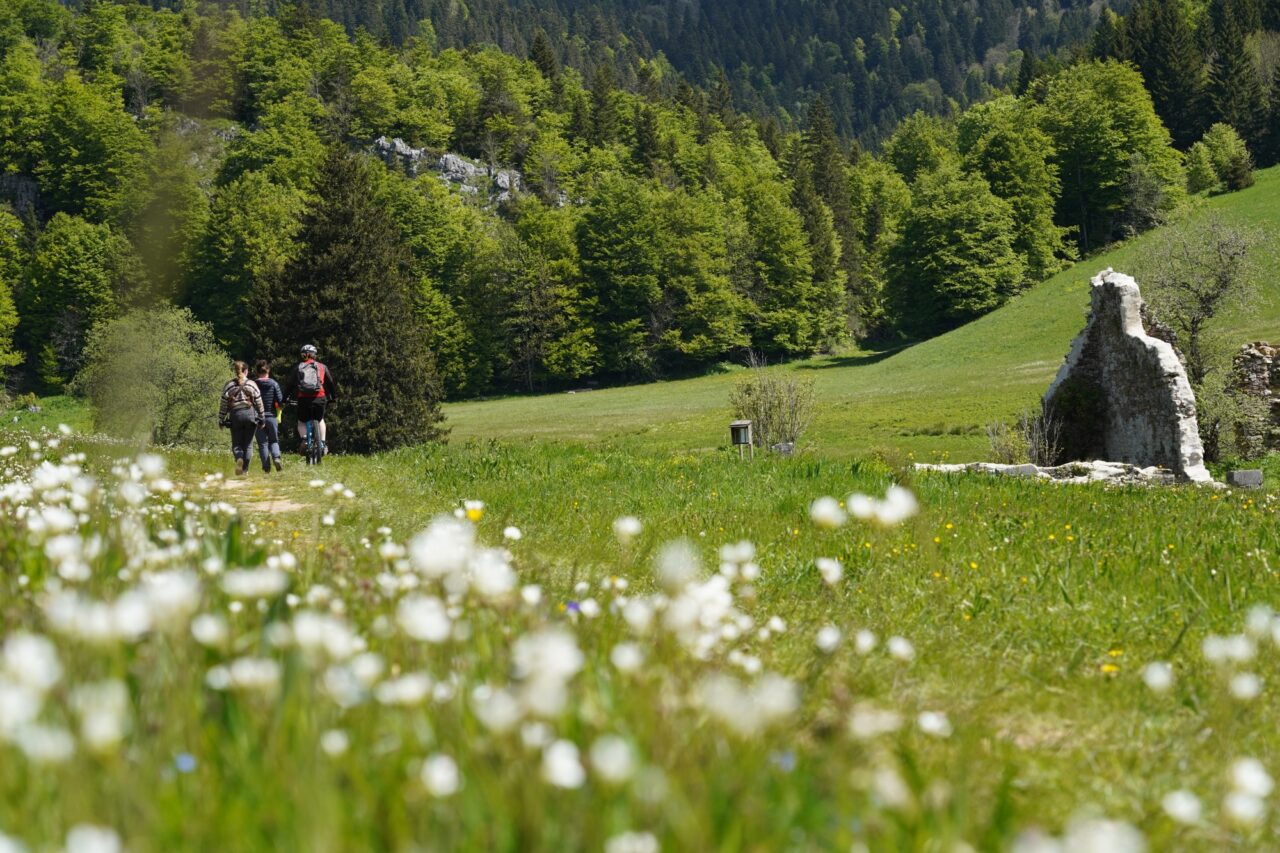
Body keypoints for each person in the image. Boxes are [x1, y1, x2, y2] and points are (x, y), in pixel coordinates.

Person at [285, 344, 337, 456]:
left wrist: (285, 398)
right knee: (320, 419)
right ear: (314, 355)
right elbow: (330, 383)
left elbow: (289, 385)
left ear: (302, 355)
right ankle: (322, 443)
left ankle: (304, 440)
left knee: (301, 421)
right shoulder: (322, 367)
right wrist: (333, 397)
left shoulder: (298, 367)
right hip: (320, 398)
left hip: (303, 399)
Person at [219, 361, 265, 475]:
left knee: (237, 444)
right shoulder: (252, 384)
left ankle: (239, 458)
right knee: (248, 444)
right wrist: (262, 417)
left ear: (236, 371)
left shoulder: (229, 385)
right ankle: (245, 470)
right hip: (250, 415)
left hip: (236, 416)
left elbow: (224, 404)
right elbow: (259, 402)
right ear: (246, 371)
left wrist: (221, 419)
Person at [253, 360, 284, 473]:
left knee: (262, 443)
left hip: (257, 418)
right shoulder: (274, 384)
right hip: (271, 417)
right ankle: (276, 457)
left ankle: (266, 468)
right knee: (274, 441)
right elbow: (280, 402)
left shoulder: (253, 384)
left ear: (257, 372)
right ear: (268, 371)